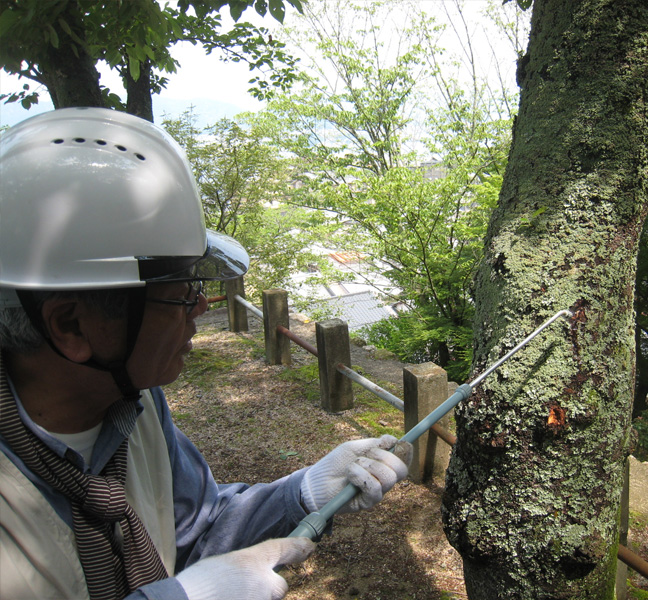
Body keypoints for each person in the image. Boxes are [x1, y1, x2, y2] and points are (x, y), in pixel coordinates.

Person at [0, 107, 412, 600]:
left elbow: (197, 528)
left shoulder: (135, 404)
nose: (200, 305)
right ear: (71, 325)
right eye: (180, 290)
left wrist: (304, 492)